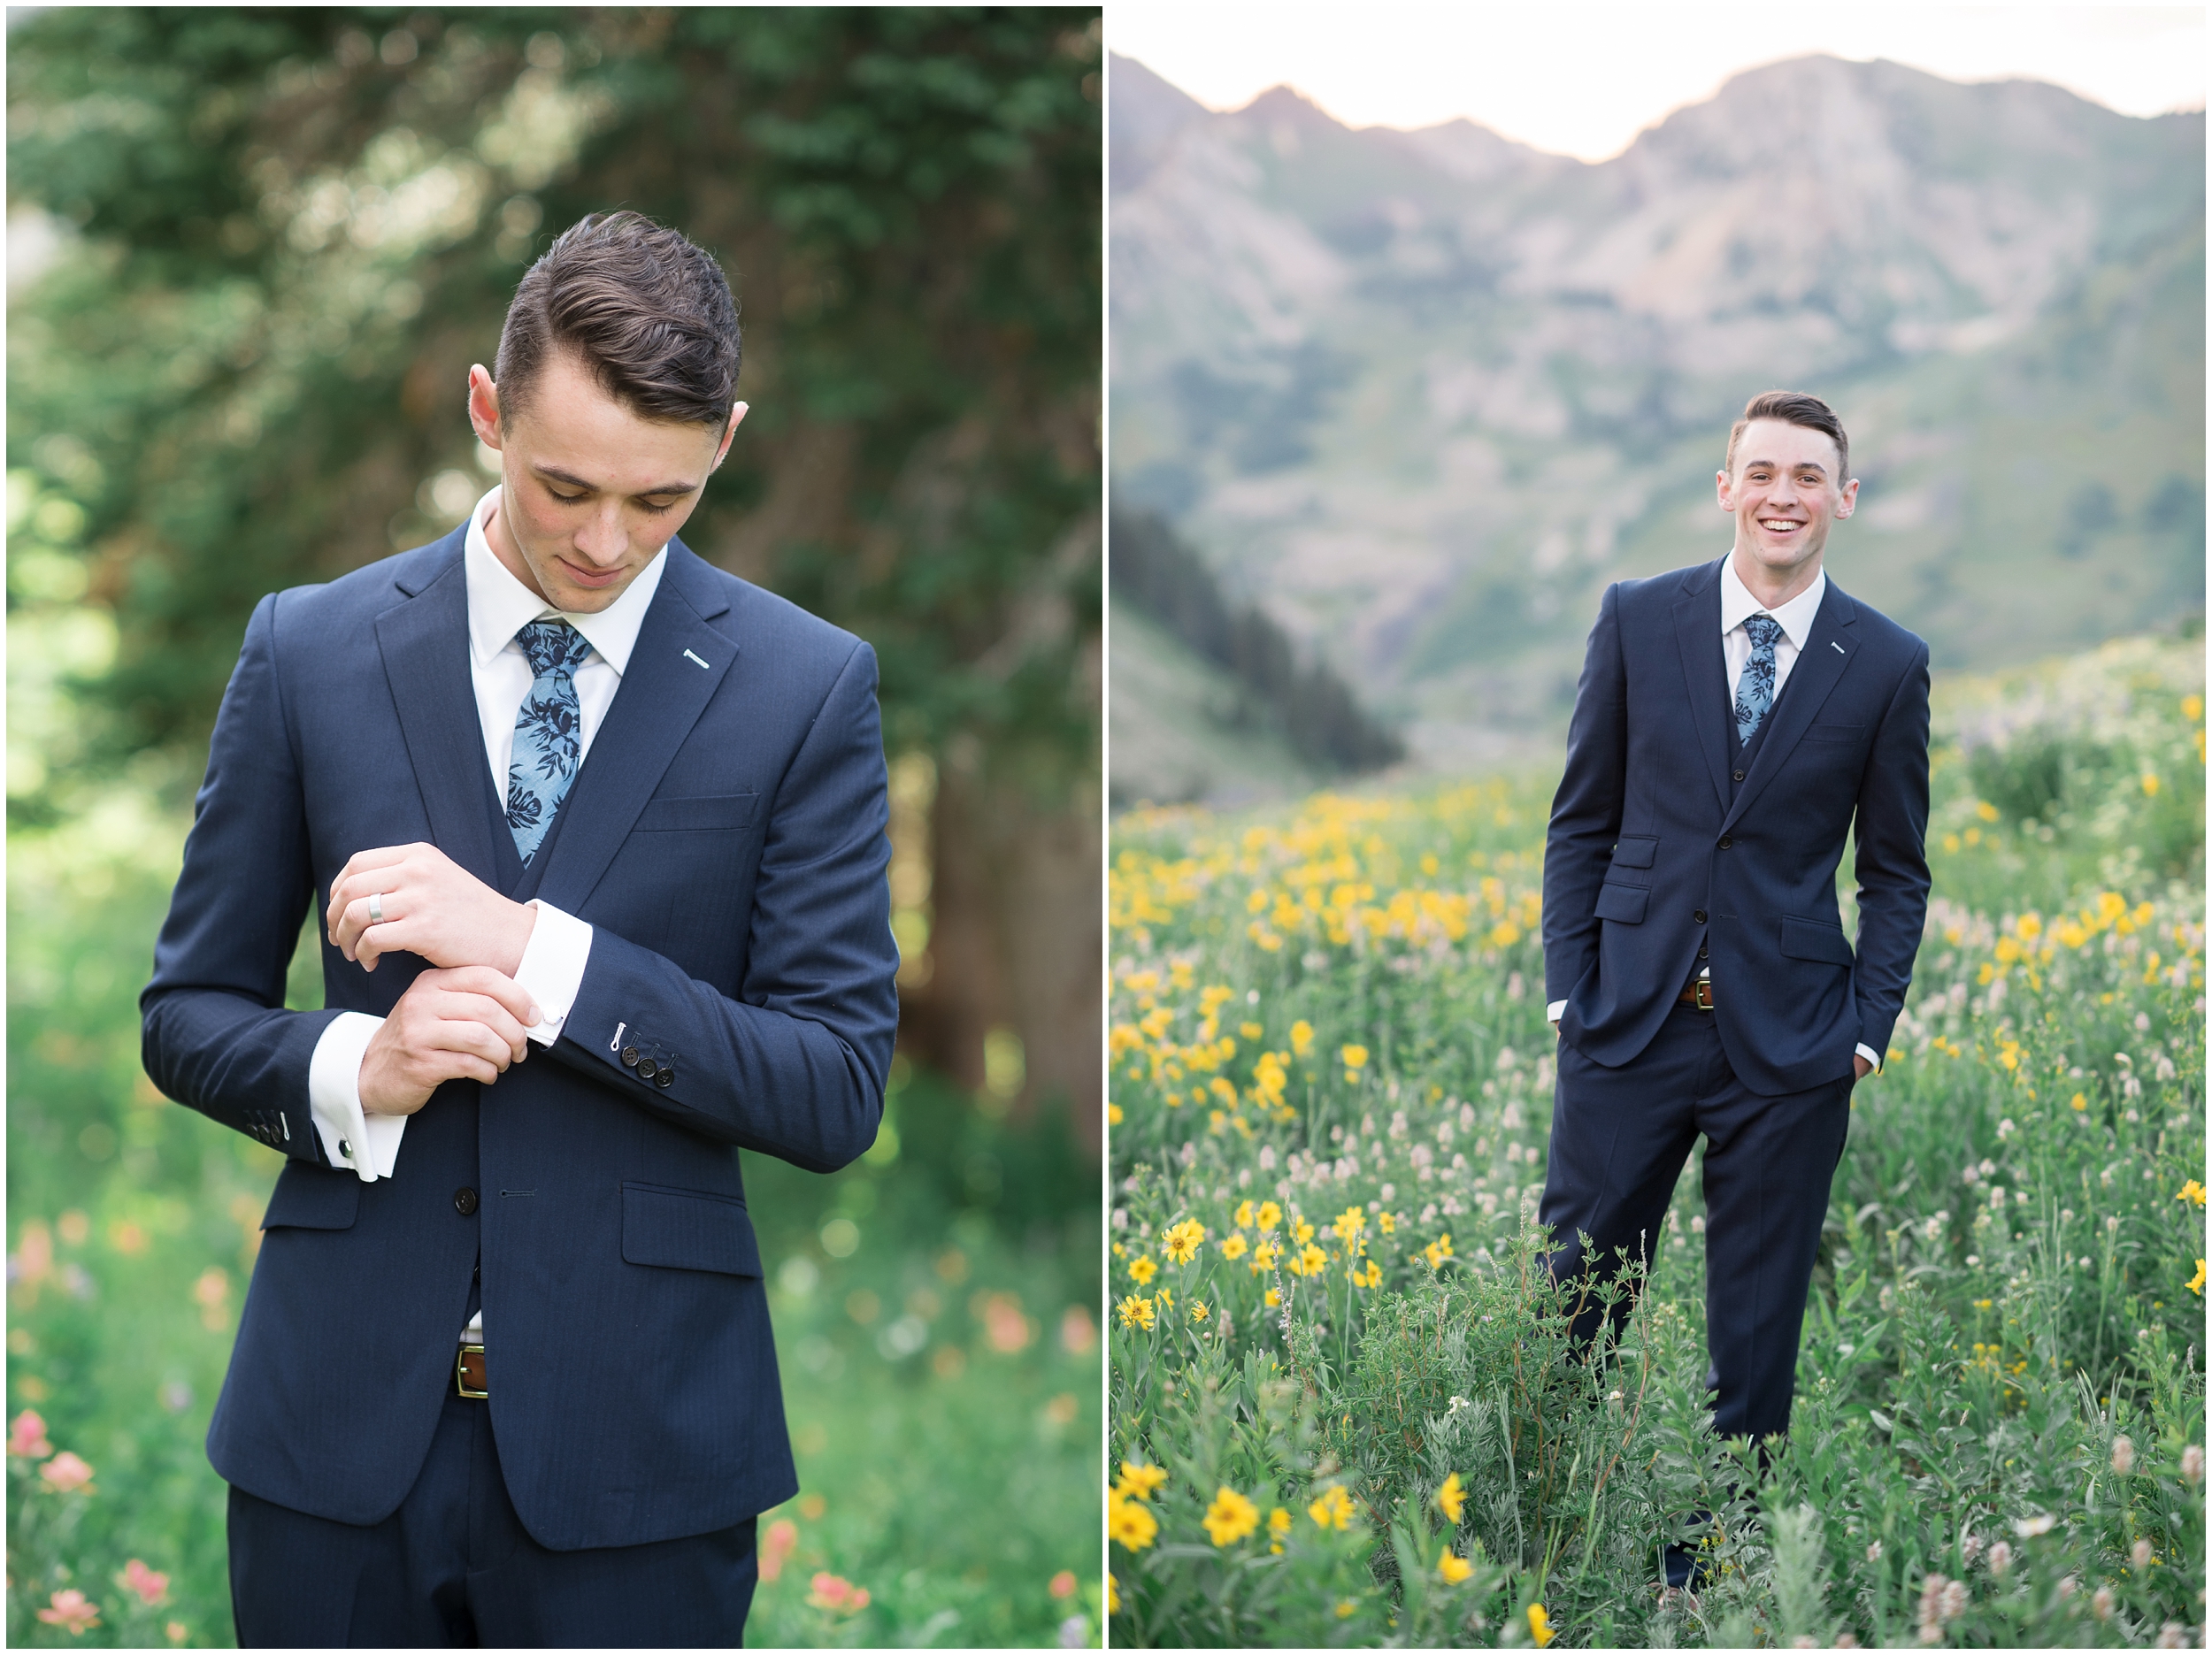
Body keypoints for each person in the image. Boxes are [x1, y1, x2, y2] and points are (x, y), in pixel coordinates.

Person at [140, 211, 900, 1645]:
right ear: (488, 409)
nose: (606, 544)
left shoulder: (805, 689)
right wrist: (356, 1074)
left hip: (644, 1465)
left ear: (725, 443)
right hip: (332, 1446)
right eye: (565, 488)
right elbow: (187, 1015)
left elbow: (831, 1088)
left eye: (662, 502)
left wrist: (530, 950)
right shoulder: (308, 649)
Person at [1537, 389, 1931, 1588]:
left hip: (1794, 1049)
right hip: (1629, 1024)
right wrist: (1571, 992)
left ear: (1841, 500)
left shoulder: (1887, 663)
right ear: (1726, 487)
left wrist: (1866, 1032)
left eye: (1809, 477)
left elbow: (1899, 872)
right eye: (1762, 471)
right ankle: (1548, 1522)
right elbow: (1581, 821)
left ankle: (1713, 1565)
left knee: (1755, 1330)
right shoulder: (1637, 619)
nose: (1782, 494)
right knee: (1573, 1298)